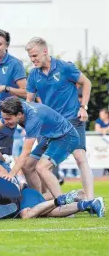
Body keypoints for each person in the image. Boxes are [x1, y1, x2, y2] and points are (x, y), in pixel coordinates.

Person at [0, 97, 80, 200]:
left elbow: (25, 152)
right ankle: (38, 199)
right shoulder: (13, 108)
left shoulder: (33, 119)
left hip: (66, 137)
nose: (6, 122)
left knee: (41, 167)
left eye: (8, 119)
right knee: (27, 166)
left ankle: (64, 203)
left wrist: (11, 174)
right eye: (4, 118)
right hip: (50, 137)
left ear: (19, 115)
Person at [25, 36, 94, 199]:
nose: (32, 60)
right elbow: (29, 101)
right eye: (30, 57)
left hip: (72, 120)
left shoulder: (65, 67)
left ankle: (91, 200)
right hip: (49, 126)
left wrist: (83, 107)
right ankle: (53, 200)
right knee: (38, 165)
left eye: (35, 56)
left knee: (80, 157)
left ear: (45, 52)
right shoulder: (33, 75)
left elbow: (87, 83)